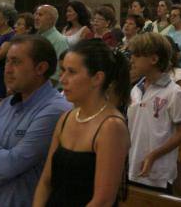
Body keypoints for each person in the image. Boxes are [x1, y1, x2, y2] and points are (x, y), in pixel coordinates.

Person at [0, 35, 72, 206]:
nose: (7, 69)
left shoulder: (55, 110)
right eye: (7, 61)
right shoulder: (5, 105)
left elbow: (11, 165)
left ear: (40, 68)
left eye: (16, 62)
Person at [33, 39, 130, 207]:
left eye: (72, 72)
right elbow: (46, 181)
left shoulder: (111, 126)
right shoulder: (67, 118)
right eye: (63, 71)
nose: (63, 79)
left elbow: (103, 200)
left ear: (97, 78)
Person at [127, 32, 181, 193]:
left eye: (137, 55)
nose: (132, 59)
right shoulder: (135, 89)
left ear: (154, 59)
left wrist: (154, 155)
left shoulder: (173, 92)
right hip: (133, 167)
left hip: (157, 173)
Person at [34, 5, 69, 84]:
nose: (36, 18)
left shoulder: (59, 40)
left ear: (51, 19)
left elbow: (57, 74)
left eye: (40, 15)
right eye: (36, 14)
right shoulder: (36, 37)